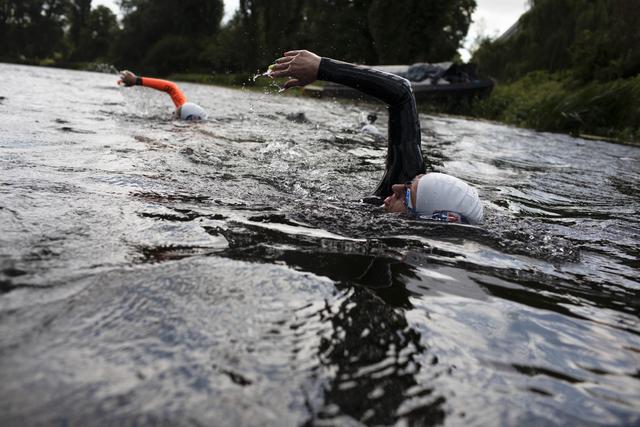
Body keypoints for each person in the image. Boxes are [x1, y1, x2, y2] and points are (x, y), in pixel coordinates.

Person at [269, 50, 484, 225]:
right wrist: (321, 67)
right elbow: (402, 93)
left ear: (425, 219)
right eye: (409, 182)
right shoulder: (395, 198)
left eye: (405, 195)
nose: (395, 188)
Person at [118, 71, 207, 121]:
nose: (173, 113)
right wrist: (137, 80)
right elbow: (171, 87)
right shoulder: (185, 110)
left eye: (176, 114)